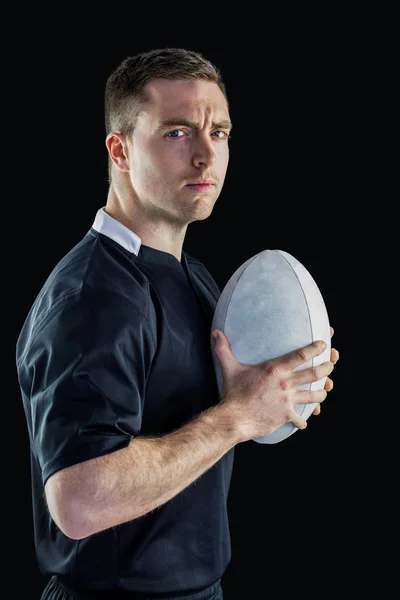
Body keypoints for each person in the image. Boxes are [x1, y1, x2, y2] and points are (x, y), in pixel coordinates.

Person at [16, 48, 339, 600]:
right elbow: (77, 501)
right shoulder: (93, 297)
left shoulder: (192, 276)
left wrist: (276, 393)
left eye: (220, 131)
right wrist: (238, 416)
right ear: (119, 151)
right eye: (176, 133)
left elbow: (204, 415)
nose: (205, 154)